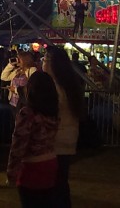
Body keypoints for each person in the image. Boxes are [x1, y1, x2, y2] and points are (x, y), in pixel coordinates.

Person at [7, 71, 60, 207]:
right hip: (50, 161)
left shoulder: (28, 114)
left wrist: (12, 172)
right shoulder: (53, 113)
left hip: (31, 166)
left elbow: (18, 144)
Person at [42, 46, 83, 207]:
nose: (42, 62)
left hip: (54, 141)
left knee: (53, 185)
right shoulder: (69, 85)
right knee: (61, 183)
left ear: (53, 63)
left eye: (44, 59)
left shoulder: (55, 87)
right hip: (68, 140)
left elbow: (48, 113)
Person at [1, 51, 40, 121]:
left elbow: (32, 87)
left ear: (25, 59)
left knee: (21, 124)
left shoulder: (32, 70)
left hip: (23, 103)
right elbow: (3, 77)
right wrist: (11, 65)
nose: (17, 60)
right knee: (13, 124)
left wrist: (15, 90)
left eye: (19, 58)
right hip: (13, 102)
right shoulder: (18, 70)